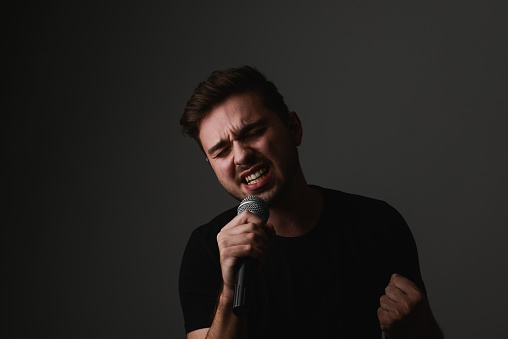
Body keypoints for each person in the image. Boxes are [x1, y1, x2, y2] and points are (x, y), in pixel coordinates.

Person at [178, 65, 443, 339]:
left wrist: (417, 327)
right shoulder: (207, 250)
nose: (241, 156)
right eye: (221, 151)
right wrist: (231, 291)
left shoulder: (378, 224)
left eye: (253, 132)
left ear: (294, 128)